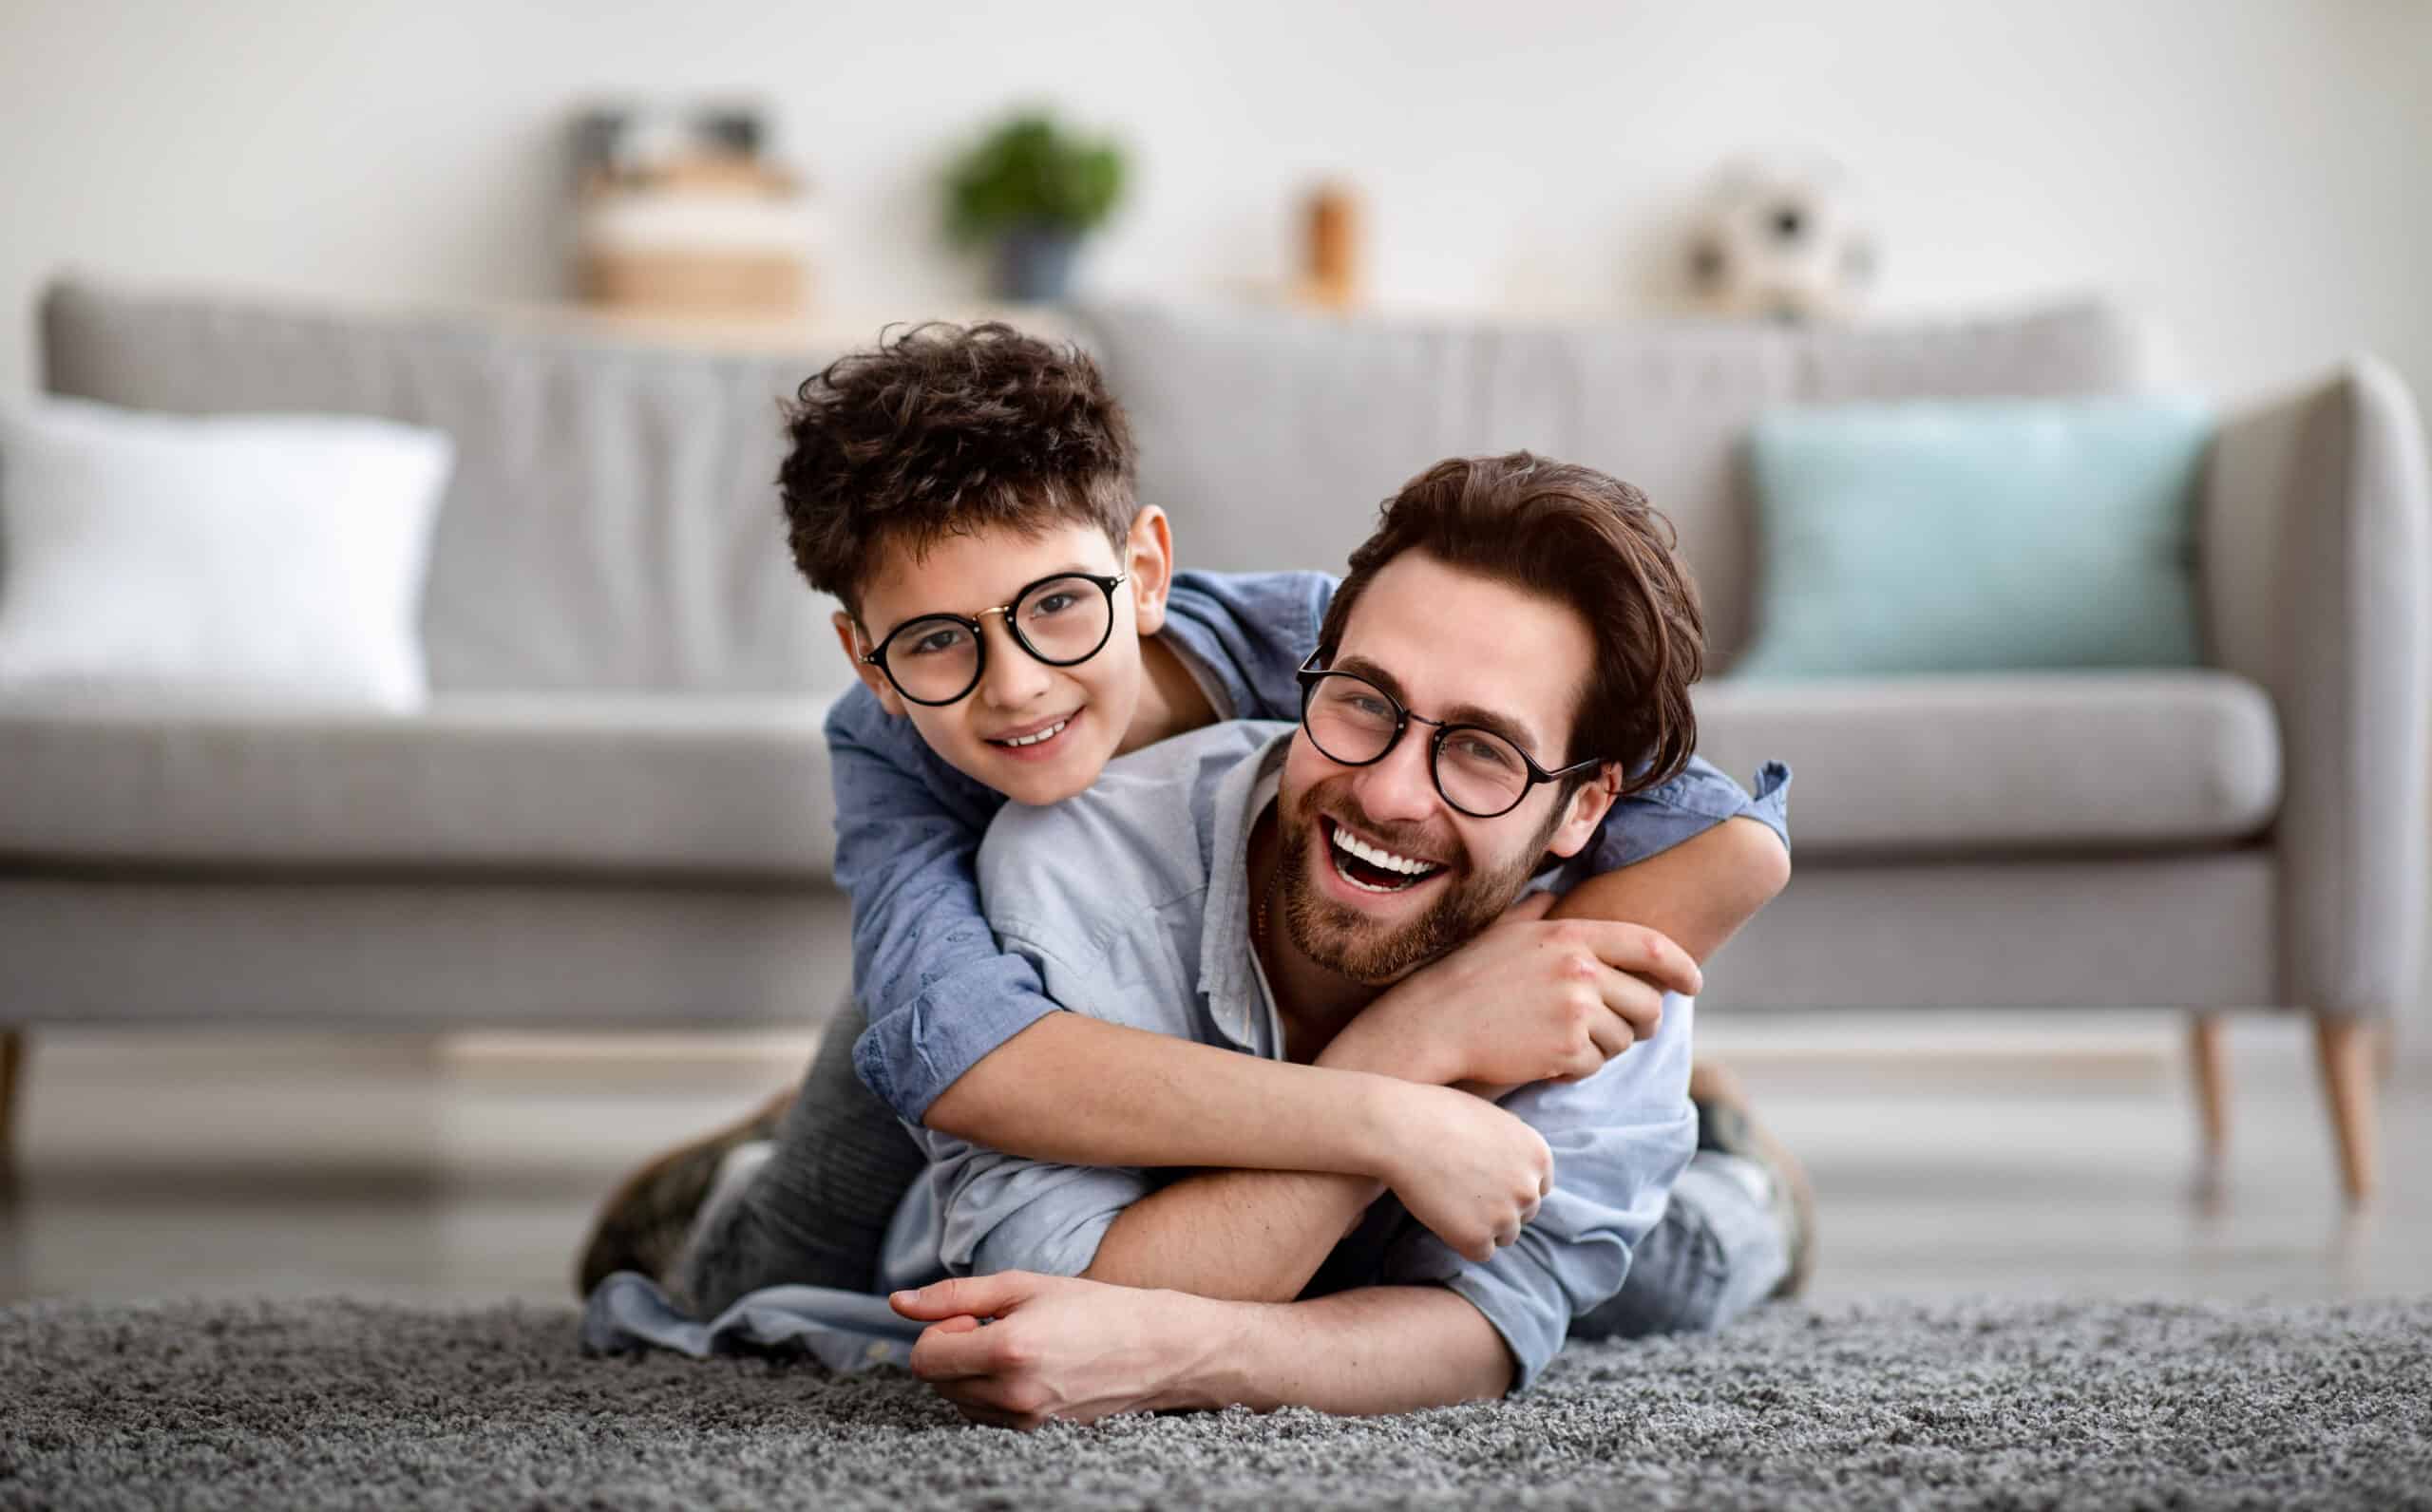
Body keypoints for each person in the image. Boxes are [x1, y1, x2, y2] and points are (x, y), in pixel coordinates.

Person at [576, 325, 1802, 1345]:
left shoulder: (1333, 644)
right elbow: (973, 1061)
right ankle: (729, 1174)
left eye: (1060, 607)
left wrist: (1535, 1009)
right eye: (939, 642)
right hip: (959, 990)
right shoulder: (889, 744)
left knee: (1644, 1279)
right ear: (871, 662)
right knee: (791, 1266)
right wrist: (1402, 1070)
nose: (1014, 689)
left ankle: (1741, 1169)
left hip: (1265, 979)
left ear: (1145, 571)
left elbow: (1731, 843)